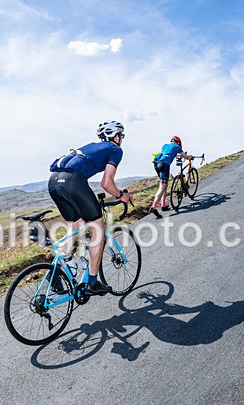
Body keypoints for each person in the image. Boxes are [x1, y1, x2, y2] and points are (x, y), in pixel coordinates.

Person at [48, 120, 133, 296]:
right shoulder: (115, 149)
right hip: (73, 181)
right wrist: (121, 196)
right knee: (98, 229)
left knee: (76, 225)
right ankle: (92, 283)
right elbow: (106, 183)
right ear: (116, 136)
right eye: (121, 136)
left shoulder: (91, 147)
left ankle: (55, 270)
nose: (122, 139)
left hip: (54, 181)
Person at [150, 136, 194, 218]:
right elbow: (186, 157)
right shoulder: (177, 147)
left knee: (164, 185)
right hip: (165, 165)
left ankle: (163, 205)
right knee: (162, 187)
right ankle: (153, 207)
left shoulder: (165, 145)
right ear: (178, 142)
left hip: (157, 164)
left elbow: (168, 154)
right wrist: (190, 157)